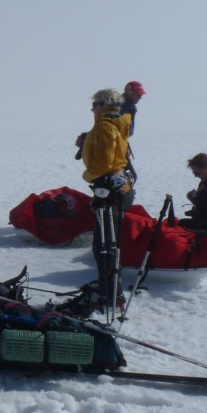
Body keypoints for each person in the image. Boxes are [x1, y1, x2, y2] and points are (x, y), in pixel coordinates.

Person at [81, 89, 134, 310]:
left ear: (104, 105)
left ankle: (111, 293)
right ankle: (110, 289)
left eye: (95, 104)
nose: (92, 108)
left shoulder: (104, 126)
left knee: (103, 245)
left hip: (109, 189)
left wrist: (88, 175)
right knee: (108, 244)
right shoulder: (116, 123)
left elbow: (103, 163)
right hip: (120, 187)